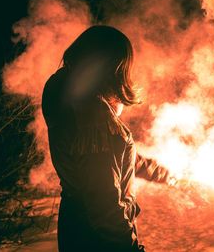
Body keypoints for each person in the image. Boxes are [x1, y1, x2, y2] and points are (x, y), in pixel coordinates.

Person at [42, 25, 171, 252]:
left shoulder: (73, 103)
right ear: (112, 66)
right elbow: (105, 204)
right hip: (98, 239)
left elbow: (109, 159)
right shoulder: (94, 119)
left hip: (77, 228)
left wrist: (159, 172)